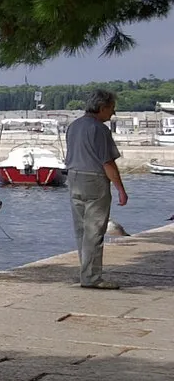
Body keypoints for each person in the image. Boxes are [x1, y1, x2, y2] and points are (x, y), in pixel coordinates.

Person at [64, 90, 127, 289]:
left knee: (81, 230)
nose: (113, 113)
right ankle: (91, 277)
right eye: (111, 108)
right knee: (95, 231)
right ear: (102, 108)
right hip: (94, 181)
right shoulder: (99, 129)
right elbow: (107, 162)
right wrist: (120, 189)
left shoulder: (73, 126)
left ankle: (86, 272)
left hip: (73, 179)